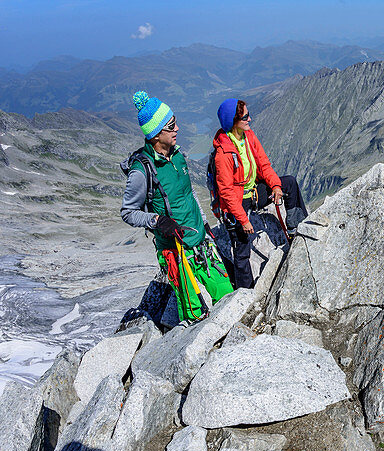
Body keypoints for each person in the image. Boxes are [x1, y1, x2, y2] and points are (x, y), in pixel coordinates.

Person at [121, 91, 233, 322]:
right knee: (194, 313)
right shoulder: (142, 170)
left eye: (175, 123)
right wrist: (157, 221)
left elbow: (188, 194)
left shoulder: (178, 156)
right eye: (171, 126)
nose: (177, 129)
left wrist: (203, 223)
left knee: (227, 296)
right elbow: (128, 212)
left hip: (201, 244)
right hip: (176, 253)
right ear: (155, 134)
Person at [212, 98, 308, 288]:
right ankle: (245, 293)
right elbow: (227, 193)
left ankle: (296, 228)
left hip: (253, 193)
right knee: (242, 248)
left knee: (289, 182)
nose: (250, 119)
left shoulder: (249, 137)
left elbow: (263, 165)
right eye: (245, 116)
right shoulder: (222, 154)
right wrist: (244, 220)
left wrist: (275, 186)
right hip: (237, 202)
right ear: (233, 121)